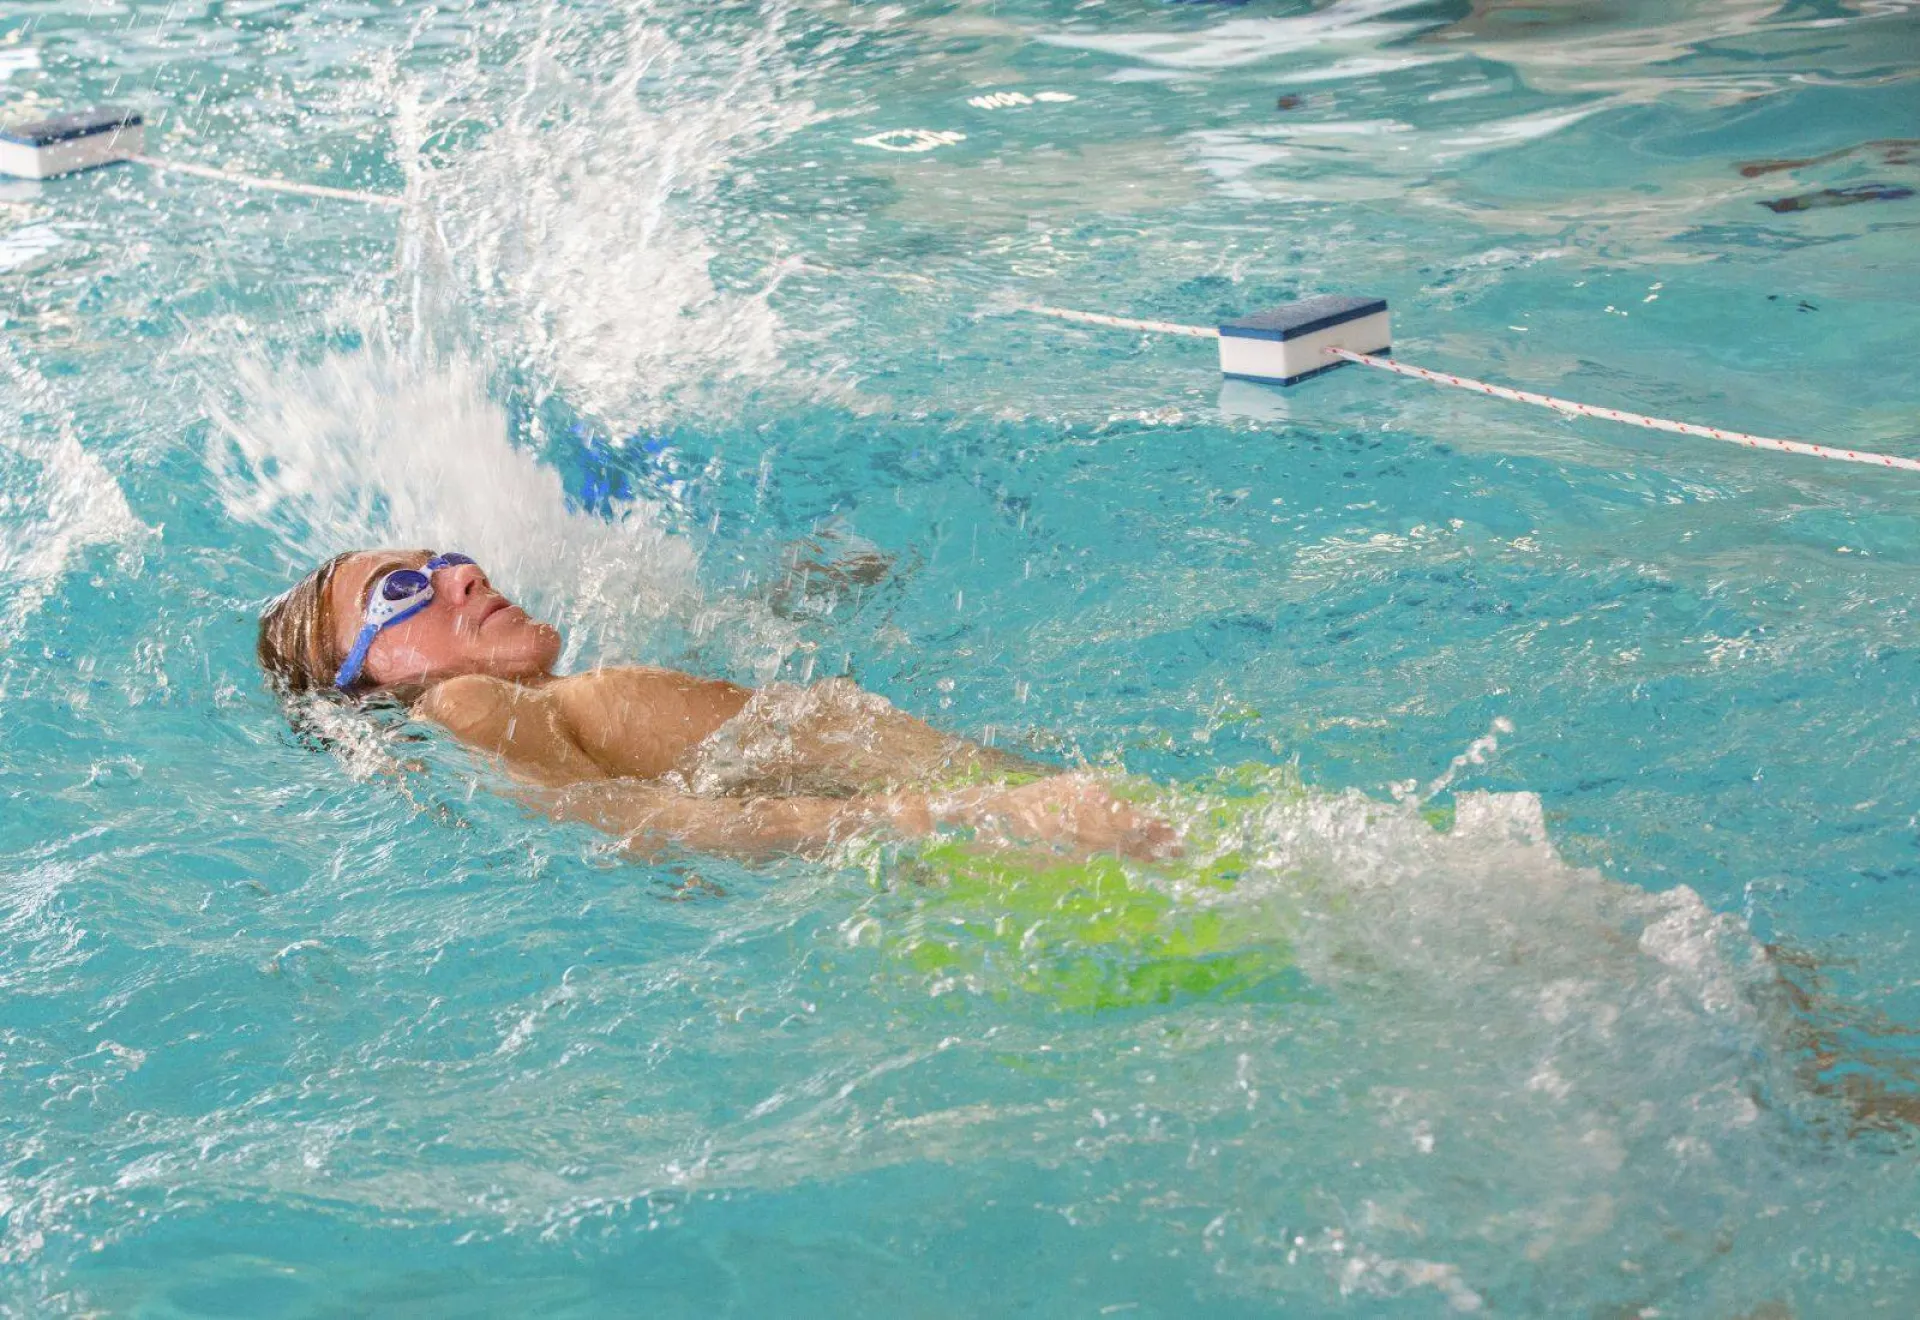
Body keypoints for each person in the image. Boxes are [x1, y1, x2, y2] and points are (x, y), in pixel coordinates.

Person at [257, 549, 1177, 862]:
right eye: (401, 588)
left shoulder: (553, 703)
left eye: (444, 556)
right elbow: (627, 819)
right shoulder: (461, 704)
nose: (460, 572)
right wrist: (976, 817)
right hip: (995, 851)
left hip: (1021, 831)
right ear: (362, 685)